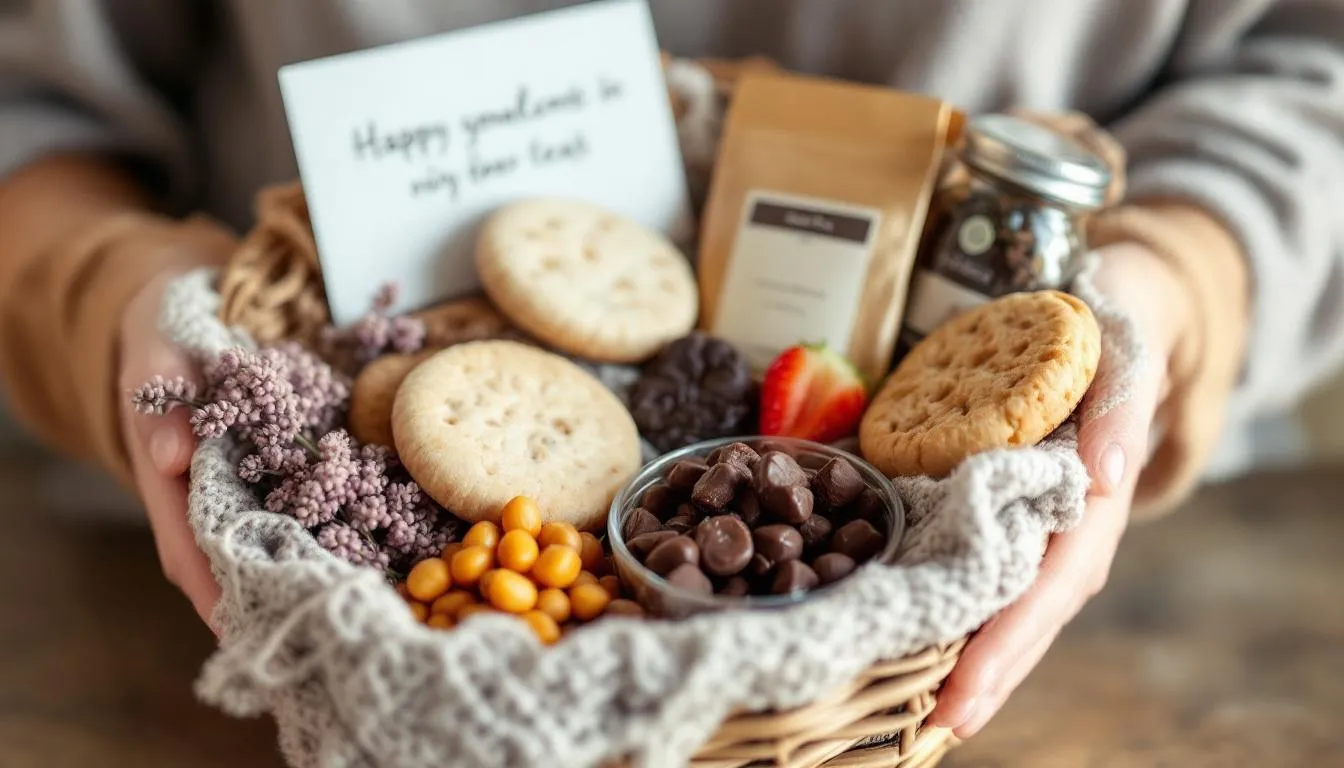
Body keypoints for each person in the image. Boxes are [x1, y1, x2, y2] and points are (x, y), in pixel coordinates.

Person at [1, 0, 1341, 741]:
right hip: (163, 625)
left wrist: (1175, 283)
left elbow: (1312, 66)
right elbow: (30, 111)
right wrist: (106, 292)